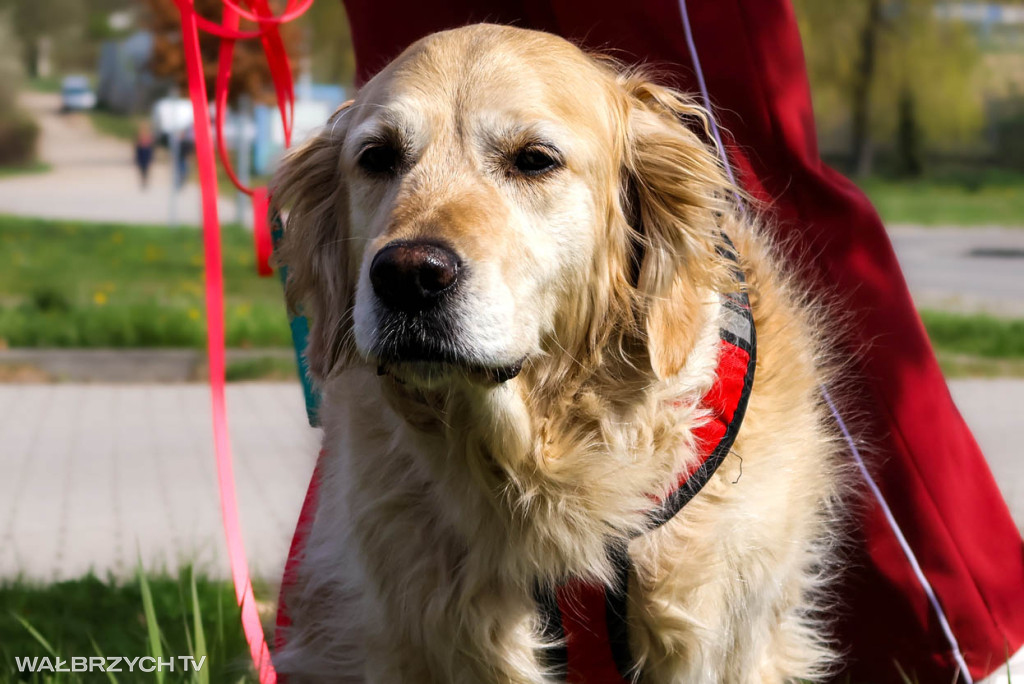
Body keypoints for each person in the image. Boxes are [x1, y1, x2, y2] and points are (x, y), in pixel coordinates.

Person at [284, 1, 1024, 681]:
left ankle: (975, 638)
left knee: (757, 152)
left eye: (532, 162)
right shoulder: (345, 244)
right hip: (409, 493)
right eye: (382, 160)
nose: (414, 250)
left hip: (686, 453)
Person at [133, 121, 154, 189]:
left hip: (146, 151)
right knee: (142, 168)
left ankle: (144, 180)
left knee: (146, 169)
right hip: (142, 151)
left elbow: (150, 147)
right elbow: (137, 146)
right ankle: (143, 180)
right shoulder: (140, 135)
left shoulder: (148, 135)